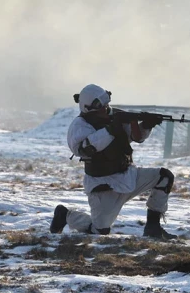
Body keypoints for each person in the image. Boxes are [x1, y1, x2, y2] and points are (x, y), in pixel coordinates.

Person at [50, 84, 177, 239]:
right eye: (101, 107)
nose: (106, 109)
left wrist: (145, 125)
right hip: (104, 185)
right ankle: (65, 216)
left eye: (106, 105)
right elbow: (83, 149)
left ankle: (153, 227)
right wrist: (110, 130)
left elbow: (135, 137)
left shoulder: (115, 116)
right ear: (88, 108)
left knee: (164, 176)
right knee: (100, 232)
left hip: (128, 176)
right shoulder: (80, 126)